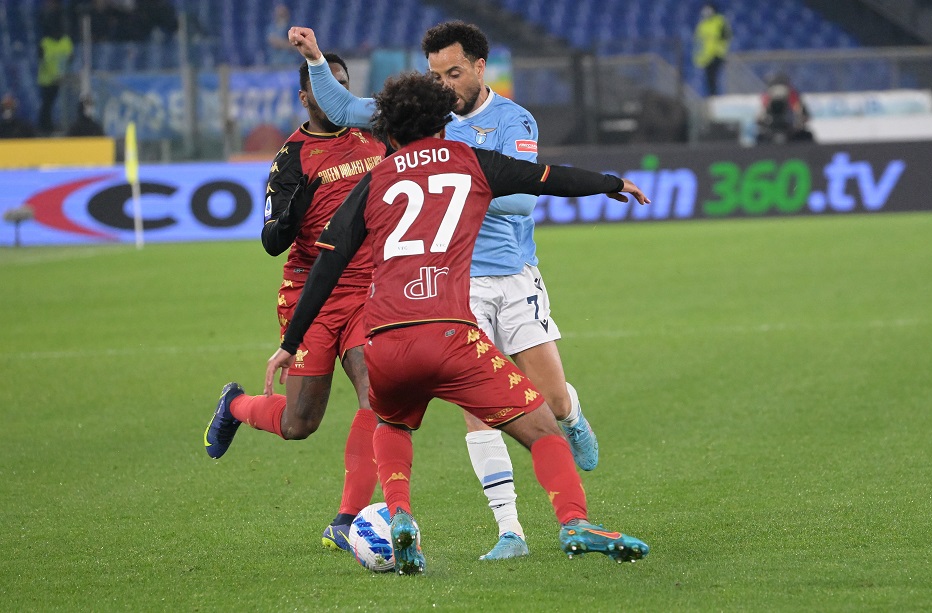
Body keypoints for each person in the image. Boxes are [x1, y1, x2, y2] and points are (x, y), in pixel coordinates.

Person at [261, 71, 651, 575]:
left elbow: (327, 265)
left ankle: (401, 516)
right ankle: (573, 520)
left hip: (384, 339)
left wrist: (291, 343)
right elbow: (548, 179)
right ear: (442, 124)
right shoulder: (469, 161)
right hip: (451, 332)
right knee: (543, 429)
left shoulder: (374, 179)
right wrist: (611, 184)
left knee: (390, 422)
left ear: (389, 132)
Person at [204, 53, 388, 548]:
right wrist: (294, 211)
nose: (340, 95)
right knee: (299, 422)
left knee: (376, 393)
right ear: (307, 97)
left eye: (345, 86)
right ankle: (237, 405)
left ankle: (347, 518)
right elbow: (271, 240)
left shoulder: (376, 134)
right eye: (329, 88)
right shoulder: (291, 157)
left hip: (370, 289)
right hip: (312, 293)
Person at [37, 16, 74, 134]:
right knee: (47, 104)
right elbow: (42, 59)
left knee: (62, 104)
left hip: (62, 80)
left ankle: (61, 126)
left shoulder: (66, 41)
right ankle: (45, 127)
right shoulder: (45, 43)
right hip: (47, 80)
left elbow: (71, 58)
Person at [755, 72, 813, 145]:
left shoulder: (793, 97)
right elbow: (759, 118)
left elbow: (804, 116)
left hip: (793, 133)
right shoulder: (767, 97)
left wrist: (798, 123)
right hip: (770, 132)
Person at [694, 3, 731, 97]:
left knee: (714, 78)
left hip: (717, 55)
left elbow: (726, 36)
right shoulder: (702, 25)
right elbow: (698, 42)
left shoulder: (720, 21)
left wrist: (720, 50)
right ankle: (712, 97)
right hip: (706, 57)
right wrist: (698, 58)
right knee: (709, 79)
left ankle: (716, 97)